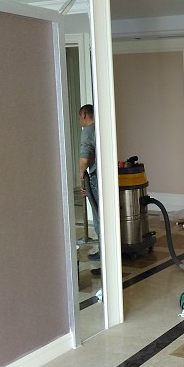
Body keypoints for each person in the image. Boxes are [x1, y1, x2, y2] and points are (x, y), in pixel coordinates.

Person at [78, 104, 101, 276]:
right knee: (105, 215)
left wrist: (81, 173)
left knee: (99, 218)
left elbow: (85, 158)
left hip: (95, 178)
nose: (80, 121)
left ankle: (104, 253)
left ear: (85, 115)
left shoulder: (87, 130)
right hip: (105, 177)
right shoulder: (101, 128)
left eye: (80, 117)